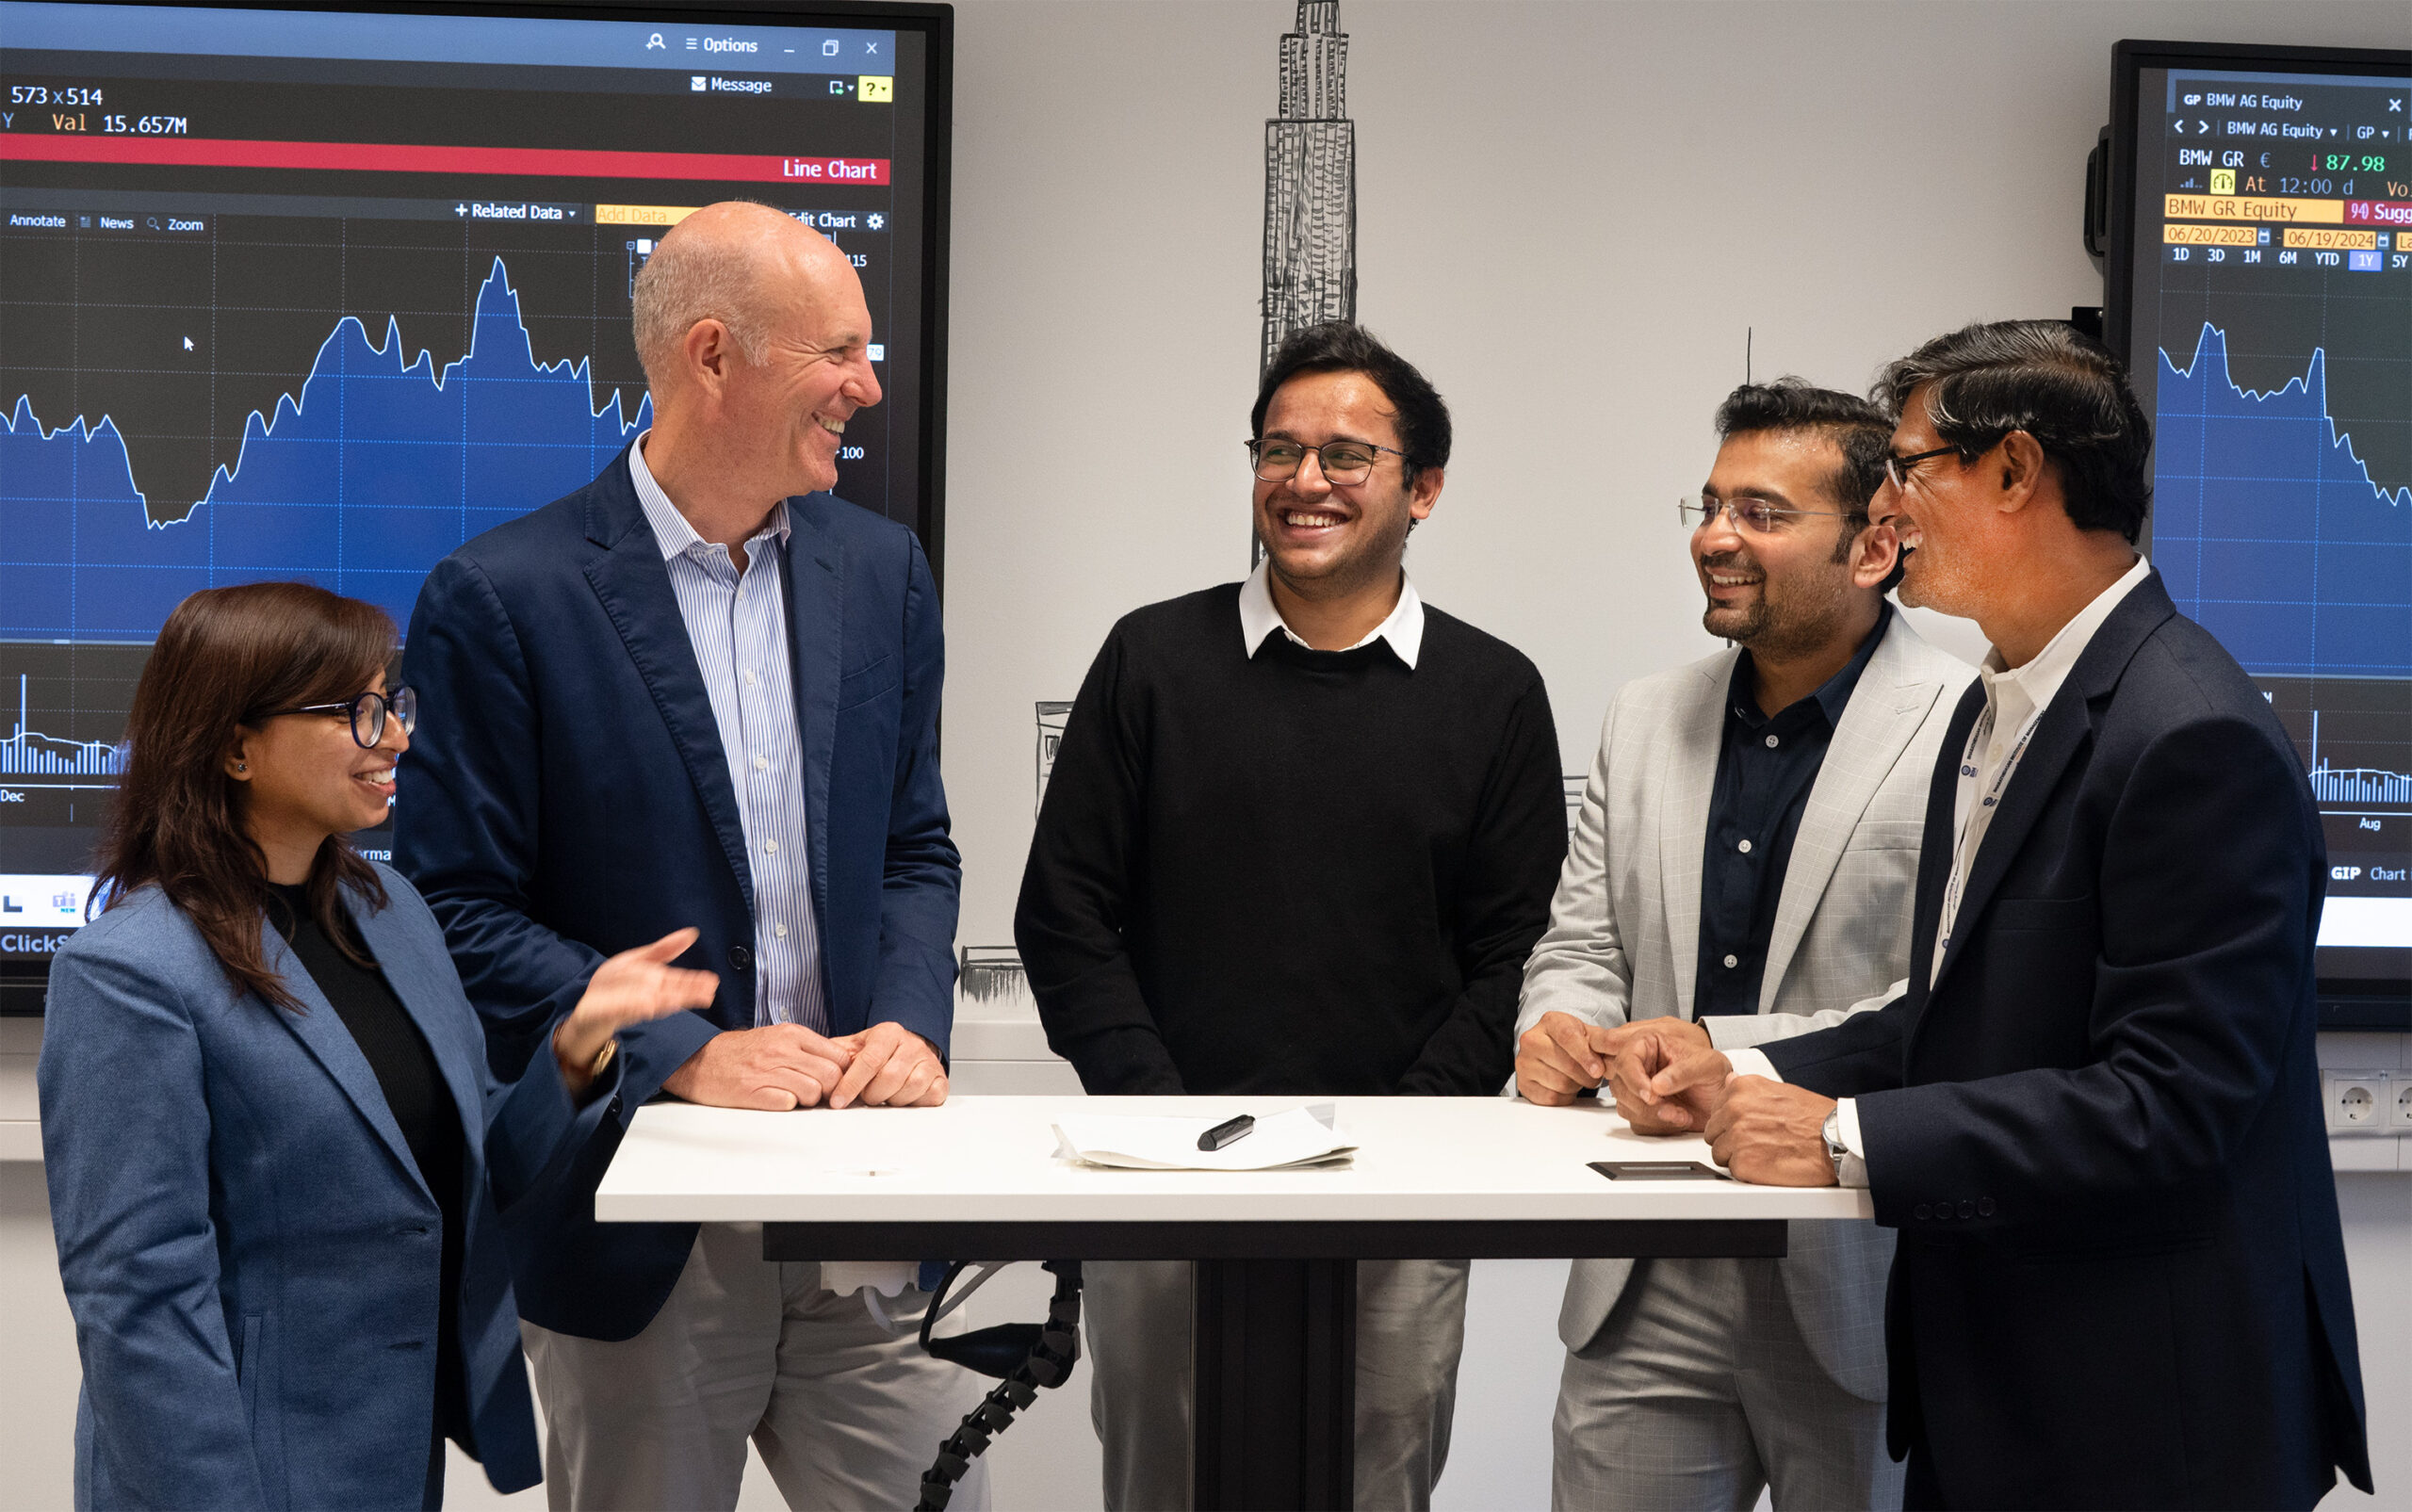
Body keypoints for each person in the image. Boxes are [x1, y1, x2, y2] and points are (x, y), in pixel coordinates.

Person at [1621, 321, 2371, 1509]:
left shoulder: (2189, 733)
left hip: (2141, 1415)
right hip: (2003, 1379)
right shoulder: (2002, 704)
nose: (1885, 508)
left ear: (2015, 472)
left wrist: (1841, 1137)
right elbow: (1967, 1011)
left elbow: (2167, 1107)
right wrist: (1732, 1055)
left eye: (1908, 469)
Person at [396, 201, 977, 1511]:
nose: (867, 386)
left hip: (866, 1201)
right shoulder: (507, 596)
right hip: (642, 1220)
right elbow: (452, 908)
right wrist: (688, 1053)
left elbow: (913, 846)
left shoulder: (881, 572)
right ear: (715, 356)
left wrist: (908, 1019)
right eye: (838, 352)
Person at [1016, 322, 1568, 1511]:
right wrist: (1160, 1128)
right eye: (1279, 449)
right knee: (1163, 1487)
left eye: (1345, 455)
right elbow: (1065, 916)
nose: (1304, 481)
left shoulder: (1495, 693)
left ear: (1421, 489)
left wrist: (1405, 1142)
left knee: (1374, 1487)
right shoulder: (1151, 658)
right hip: (1164, 1183)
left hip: (1405, 1192)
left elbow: (1516, 951)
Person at [39, 582, 716, 1511]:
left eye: (393, 705)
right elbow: (139, 1310)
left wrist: (574, 1049)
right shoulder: (130, 975)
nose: (396, 737)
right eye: (356, 712)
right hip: (231, 1476)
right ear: (235, 745)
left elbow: (471, 1177)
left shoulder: (391, 917)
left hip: (390, 1461)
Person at [1513, 379, 1969, 1511]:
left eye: (1762, 514)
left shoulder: (1974, 723)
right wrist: (1555, 1024)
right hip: (1644, 1273)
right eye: (1710, 506)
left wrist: (1725, 1054)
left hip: (1861, 1268)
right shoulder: (1642, 713)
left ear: (1875, 545)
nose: (1714, 538)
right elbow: (1578, 940)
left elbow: (1950, 998)